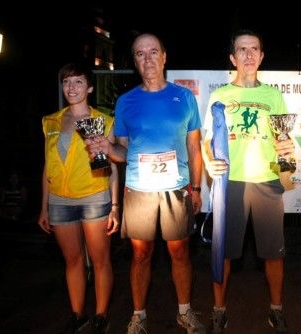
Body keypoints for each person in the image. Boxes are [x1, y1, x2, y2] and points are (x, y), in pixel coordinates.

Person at [85, 33, 206, 334]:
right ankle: (139, 315)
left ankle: (185, 311)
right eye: (141, 54)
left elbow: (194, 148)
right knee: (141, 254)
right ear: (135, 61)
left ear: (165, 57)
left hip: (177, 190)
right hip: (139, 190)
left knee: (180, 252)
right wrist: (105, 148)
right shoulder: (126, 102)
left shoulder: (185, 97)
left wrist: (196, 188)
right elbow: (122, 152)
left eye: (154, 52)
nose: (148, 59)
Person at [202, 29, 295, 333]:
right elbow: (206, 140)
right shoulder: (220, 95)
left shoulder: (273, 95)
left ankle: (277, 310)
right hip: (232, 184)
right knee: (225, 253)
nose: (249, 55)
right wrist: (207, 162)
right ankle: (219, 311)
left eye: (254, 49)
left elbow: (284, 137)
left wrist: (287, 152)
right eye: (242, 50)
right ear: (233, 58)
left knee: (273, 253)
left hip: (268, 182)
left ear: (262, 56)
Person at [38, 63, 119, 334]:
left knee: (100, 260)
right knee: (72, 261)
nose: (71, 88)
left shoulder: (102, 120)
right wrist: (44, 207)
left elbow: (111, 166)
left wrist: (115, 206)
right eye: (67, 82)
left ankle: (100, 315)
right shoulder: (50, 120)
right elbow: (48, 166)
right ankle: (78, 316)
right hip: (59, 200)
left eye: (78, 82)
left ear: (90, 87)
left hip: (94, 196)